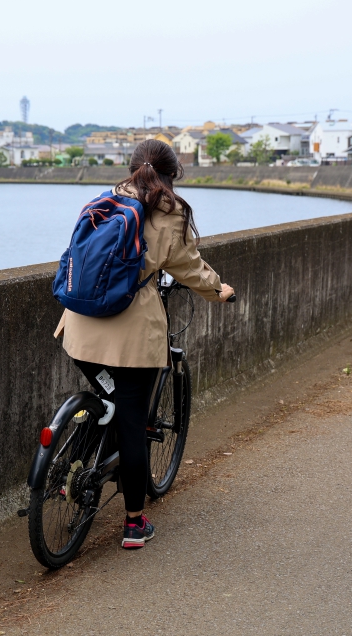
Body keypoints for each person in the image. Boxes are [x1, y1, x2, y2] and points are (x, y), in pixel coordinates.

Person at [53, 139, 234, 550]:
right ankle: (134, 524)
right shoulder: (171, 212)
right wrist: (219, 290)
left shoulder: (107, 198)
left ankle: (68, 473)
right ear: (173, 174)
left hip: (79, 329)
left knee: (107, 396)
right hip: (130, 337)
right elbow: (188, 267)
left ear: (131, 166)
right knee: (132, 421)